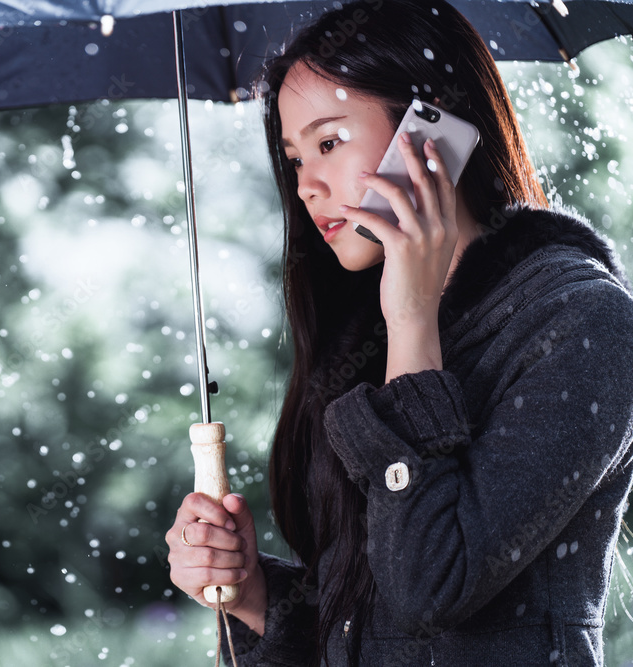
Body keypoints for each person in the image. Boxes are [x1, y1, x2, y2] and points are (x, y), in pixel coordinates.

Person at [165, 1, 633, 664]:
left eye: (328, 143)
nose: (306, 187)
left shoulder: (583, 322)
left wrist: (411, 324)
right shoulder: (371, 328)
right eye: (295, 159)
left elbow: (431, 589)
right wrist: (252, 592)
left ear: (431, 129)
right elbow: (369, 620)